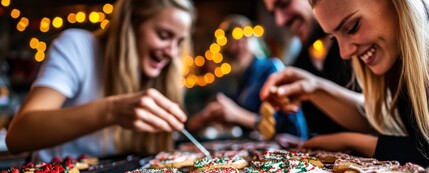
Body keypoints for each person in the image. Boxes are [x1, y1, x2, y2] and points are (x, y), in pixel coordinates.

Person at [6, 0, 195, 162]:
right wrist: (111, 111)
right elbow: (18, 136)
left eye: (179, 42)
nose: (172, 52)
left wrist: (194, 126)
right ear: (131, 24)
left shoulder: (161, 74)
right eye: (163, 35)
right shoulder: (77, 46)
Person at [261, 0, 429, 167]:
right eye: (334, 38)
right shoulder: (397, 63)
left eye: (352, 27)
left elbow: (423, 151)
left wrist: (350, 141)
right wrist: (313, 87)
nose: (345, 53)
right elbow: (380, 116)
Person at [186, 15, 308, 139]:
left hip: (292, 147)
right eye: (231, 42)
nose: (237, 46)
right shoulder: (237, 78)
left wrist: (236, 114)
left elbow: (282, 126)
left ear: (253, 42)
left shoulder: (271, 68)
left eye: (243, 39)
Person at [263, 0, 357, 136]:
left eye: (284, 4)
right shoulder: (300, 63)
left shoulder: (360, 45)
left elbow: (384, 122)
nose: (279, 21)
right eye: (273, 14)